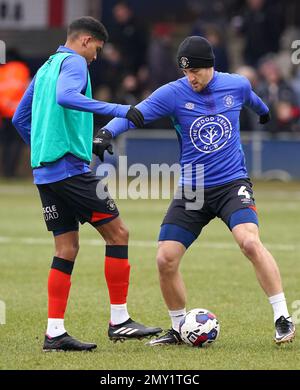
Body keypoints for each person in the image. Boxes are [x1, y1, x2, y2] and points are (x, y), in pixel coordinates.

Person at [94, 36, 296, 345]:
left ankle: (282, 316)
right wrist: (108, 131)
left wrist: (264, 112)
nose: (191, 78)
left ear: (210, 67)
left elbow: (253, 100)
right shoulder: (173, 93)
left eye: (196, 72)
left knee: (250, 243)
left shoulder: (236, 84)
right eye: (186, 72)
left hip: (232, 184)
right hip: (193, 190)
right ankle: (178, 328)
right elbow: (136, 112)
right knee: (165, 259)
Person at [12, 16, 162, 352]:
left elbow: (20, 118)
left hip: (46, 172)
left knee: (66, 248)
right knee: (119, 233)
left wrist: (48, 146)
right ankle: (120, 321)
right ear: (84, 41)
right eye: (97, 48)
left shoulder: (46, 67)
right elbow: (67, 97)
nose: (96, 56)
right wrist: (119, 108)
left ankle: (54, 333)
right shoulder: (75, 62)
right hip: (71, 171)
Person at [0, 48, 30, 177]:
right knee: (16, 144)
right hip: (19, 113)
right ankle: (11, 172)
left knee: (6, 143)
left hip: (4, 113)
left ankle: (5, 171)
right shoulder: (22, 69)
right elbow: (28, 89)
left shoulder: (2, 71)